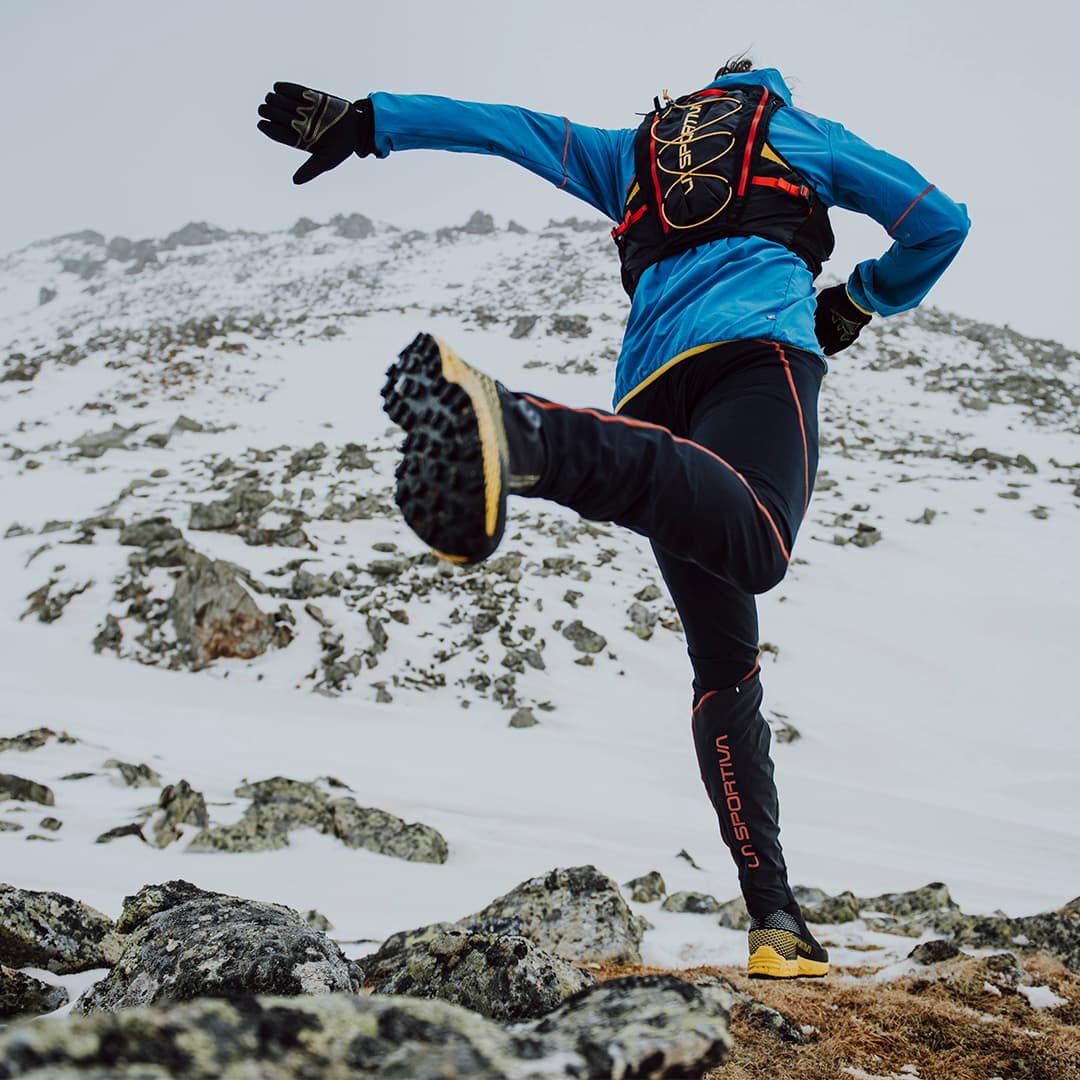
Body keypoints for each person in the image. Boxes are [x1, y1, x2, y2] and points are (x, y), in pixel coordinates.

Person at [258, 60, 969, 979]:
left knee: (725, 662)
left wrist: (368, 119)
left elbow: (506, 126)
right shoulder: (799, 133)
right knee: (758, 542)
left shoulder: (632, 152)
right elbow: (938, 222)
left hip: (649, 396)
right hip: (757, 358)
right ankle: (522, 431)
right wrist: (861, 298)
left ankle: (777, 922)